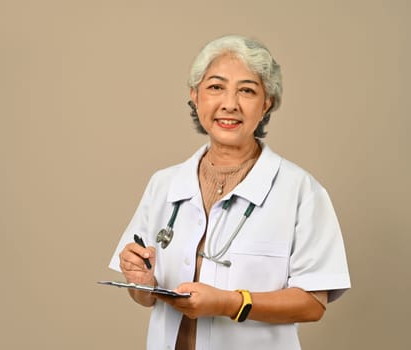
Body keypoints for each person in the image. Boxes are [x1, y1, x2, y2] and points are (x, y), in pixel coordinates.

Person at [108, 34, 351, 350]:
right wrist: (141, 282)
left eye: (247, 91)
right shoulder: (164, 184)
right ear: (195, 96)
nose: (230, 104)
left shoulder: (301, 191)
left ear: (266, 104)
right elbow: (144, 297)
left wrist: (229, 303)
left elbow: (313, 303)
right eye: (215, 87)